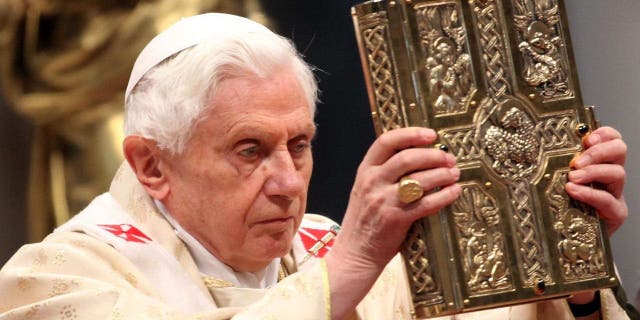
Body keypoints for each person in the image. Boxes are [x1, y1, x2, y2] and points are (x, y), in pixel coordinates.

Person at [0, 13, 634, 320]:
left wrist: (567, 271)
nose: (286, 183)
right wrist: (350, 265)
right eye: (249, 151)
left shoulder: (331, 252)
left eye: (298, 146)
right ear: (151, 164)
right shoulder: (55, 277)